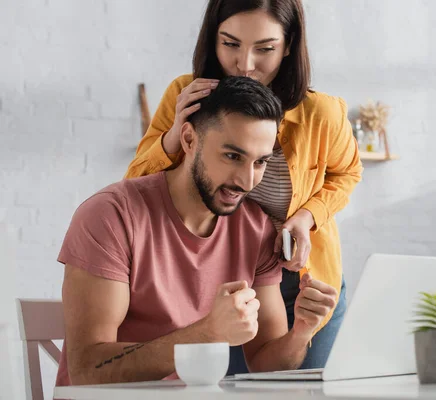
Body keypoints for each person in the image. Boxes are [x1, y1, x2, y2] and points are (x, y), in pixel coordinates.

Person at [124, 0, 363, 372]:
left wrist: (308, 216)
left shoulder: (324, 113)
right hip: (219, 286)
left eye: (265, 48)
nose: (245, 63)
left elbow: (346, 174)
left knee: (303, 392)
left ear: (288, 45)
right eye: (230, 44)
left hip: (303, 286)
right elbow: (135, 188)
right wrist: (175, 135)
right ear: (212, 39)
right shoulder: (185, 95)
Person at [56, 76, 337, 386]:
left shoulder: (256, 228)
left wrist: (302, 331)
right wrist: (208, 332)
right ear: (189, 140)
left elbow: (266, 365)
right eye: (232, 156)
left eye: (260, 162)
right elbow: (87, 370)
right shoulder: (111, 216)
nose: (247, 181)